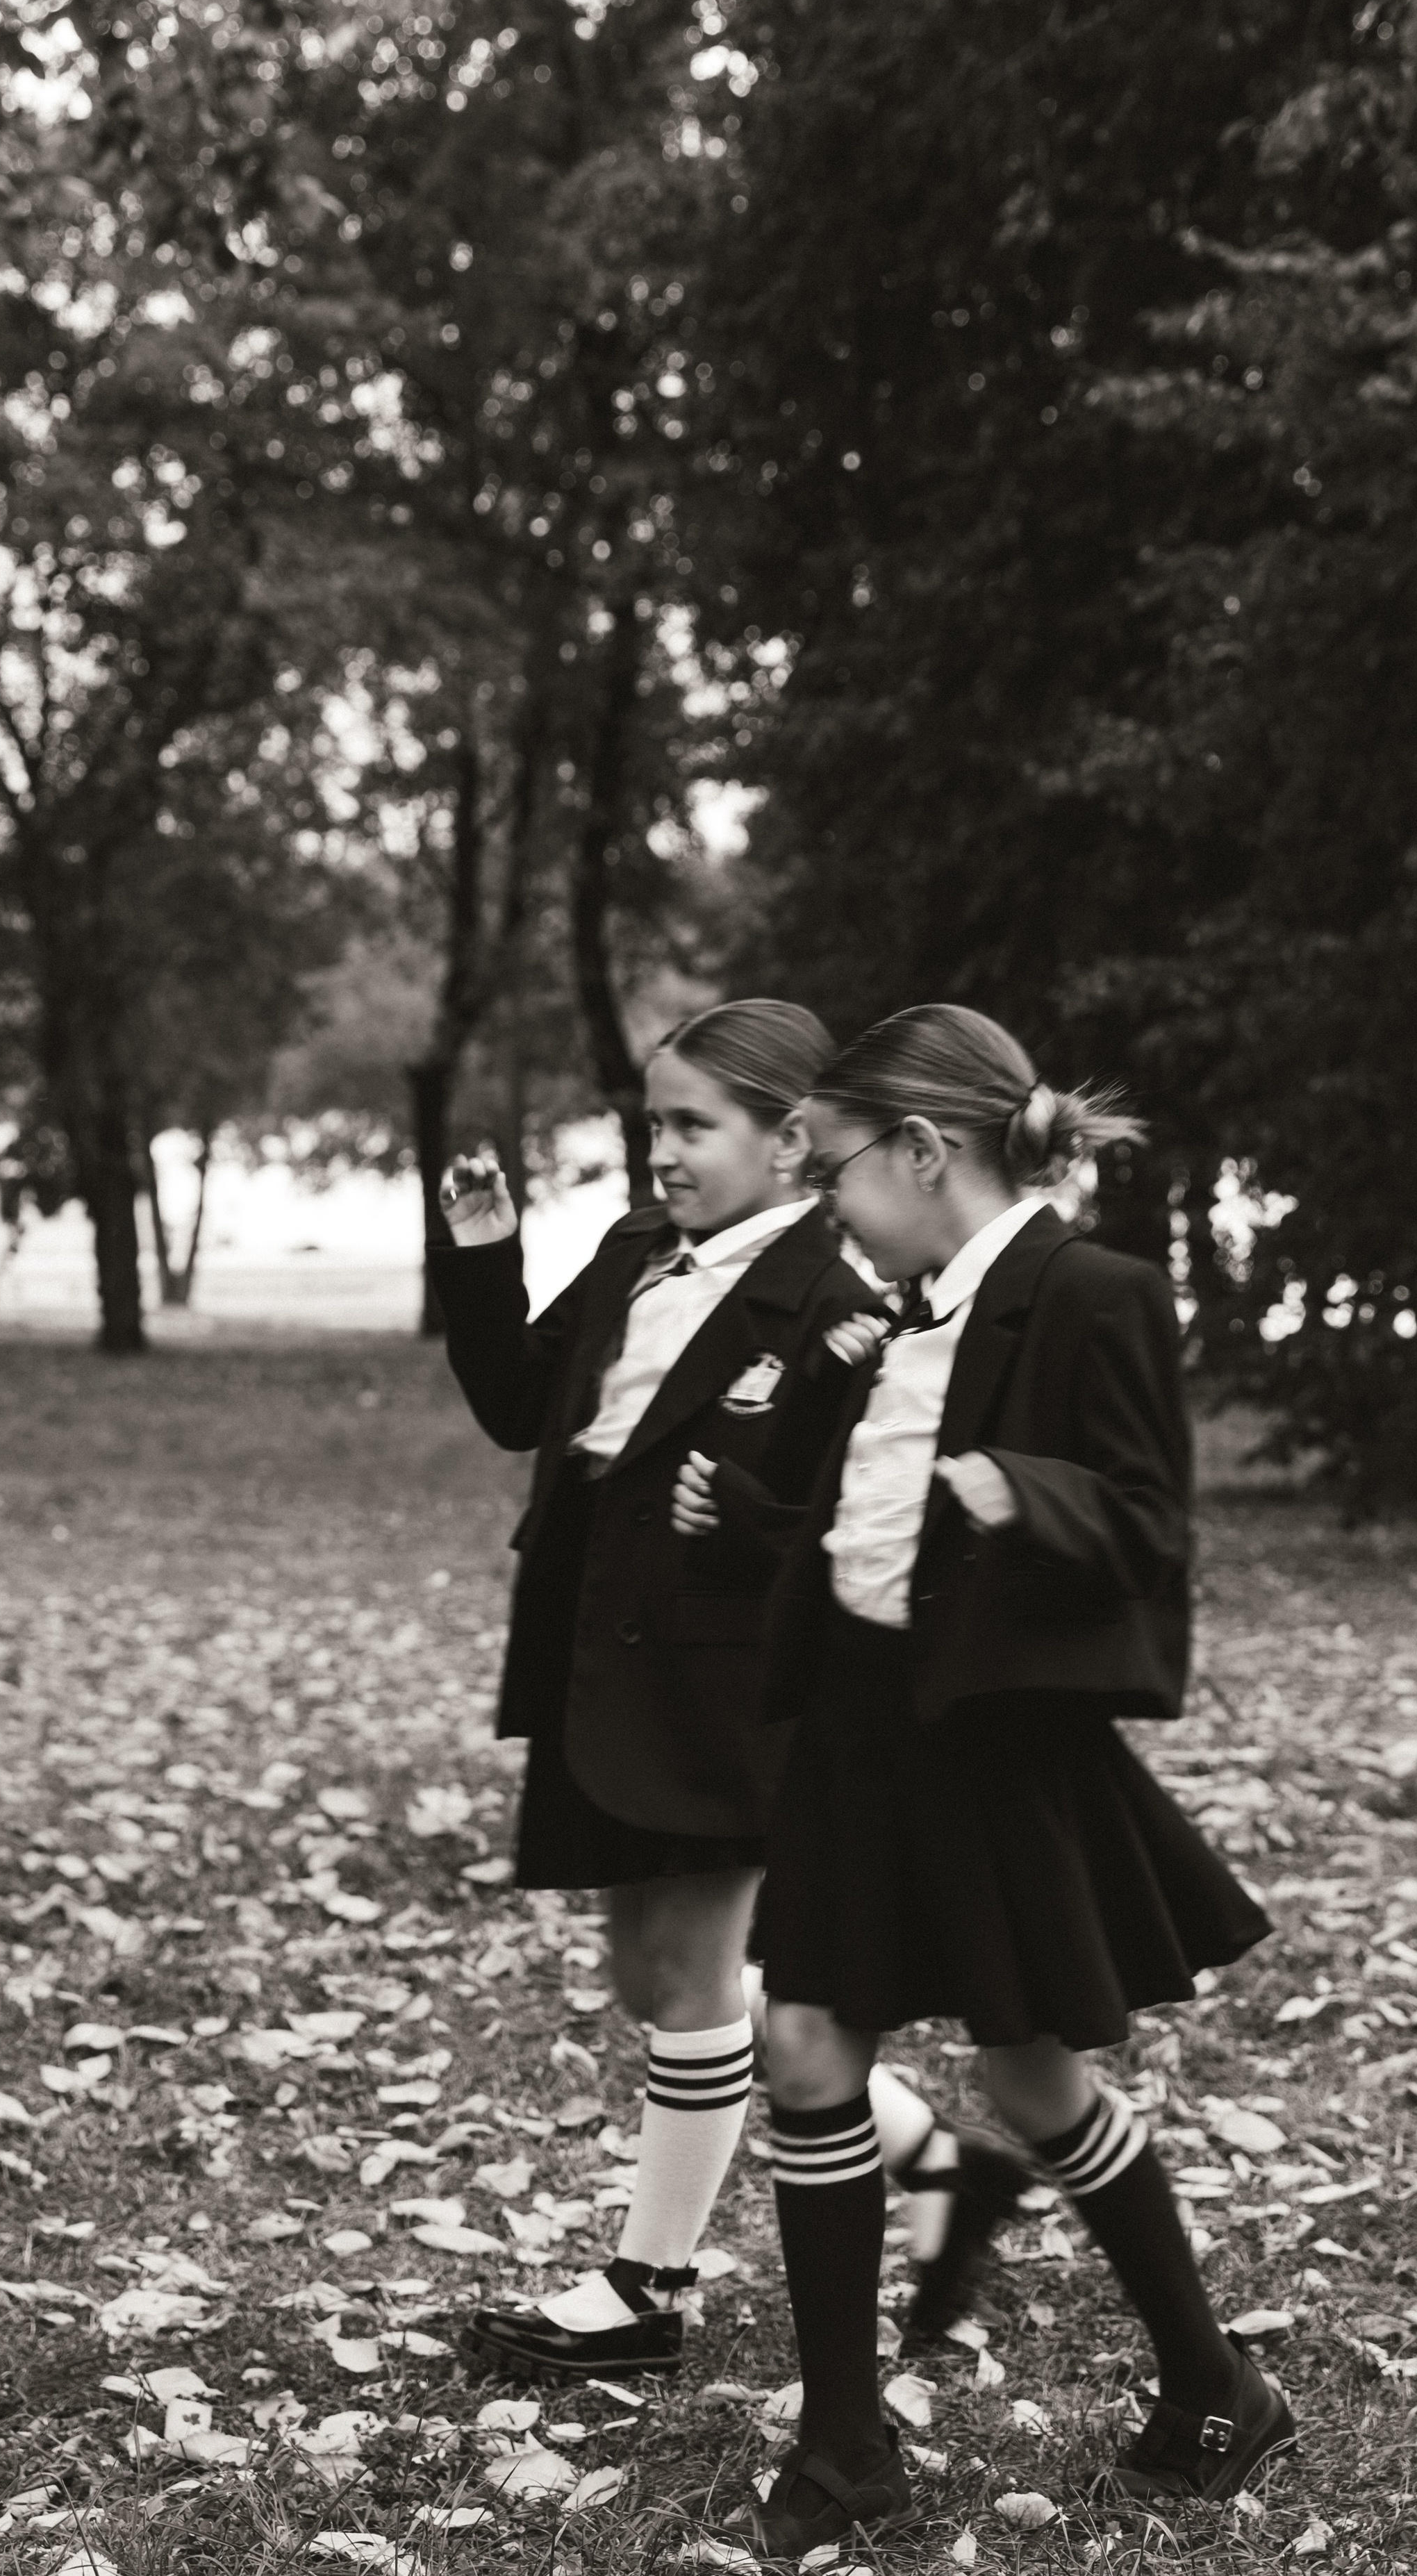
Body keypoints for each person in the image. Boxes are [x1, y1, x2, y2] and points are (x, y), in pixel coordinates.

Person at [672, 1004, 1291, 2551]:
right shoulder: (898, 1315)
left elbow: (1149, 1527)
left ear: (920, 1151)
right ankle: (841, 2452)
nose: (821, 1203)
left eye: (830, 1172)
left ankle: (1212, 2385)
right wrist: (757, 1518)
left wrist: (1024, 1488)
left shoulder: (1090, 1297)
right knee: (806, 2047)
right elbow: (863, 1532)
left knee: (1031, 2080)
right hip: (861, 1738)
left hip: (992, 1748)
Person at [429, 1001, 1004, 2385]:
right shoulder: (635, 1251)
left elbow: (852, 1510)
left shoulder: (834, 1294)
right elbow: (520, 1404)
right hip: (590, 1657)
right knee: (652, 1971)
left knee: (686, 1970)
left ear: (790, 1136)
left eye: (694, 1126)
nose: (663, 1152)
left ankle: (646, 2285)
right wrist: (485, 1256)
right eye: (653, 1124)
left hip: (723, 1683)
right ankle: (933, 2157)